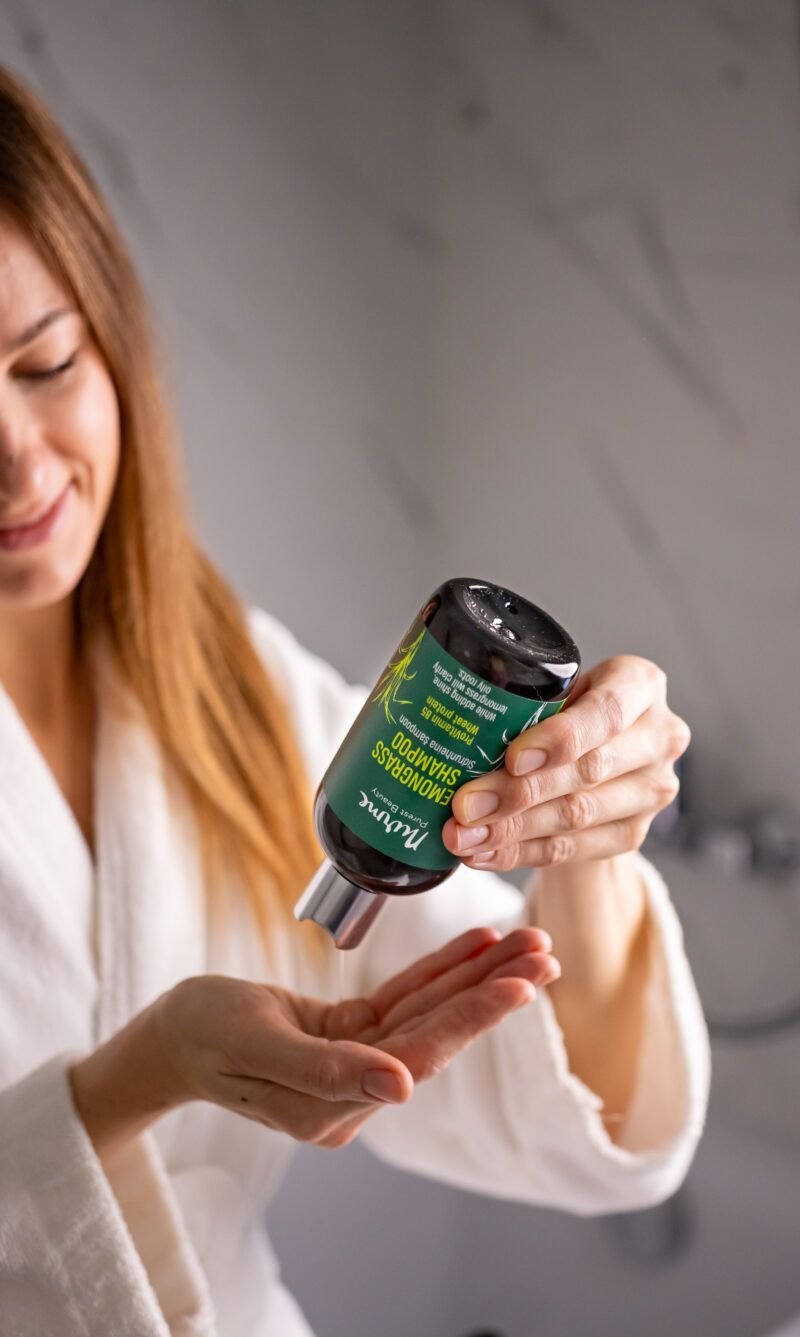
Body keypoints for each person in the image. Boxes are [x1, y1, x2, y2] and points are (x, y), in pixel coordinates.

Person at [0, 65, 709, 1337]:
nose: (16, 458)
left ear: (111, 340)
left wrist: (581, 836)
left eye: (44, 362)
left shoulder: (228, 679)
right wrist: (131, 1081)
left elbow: (577, 1115)